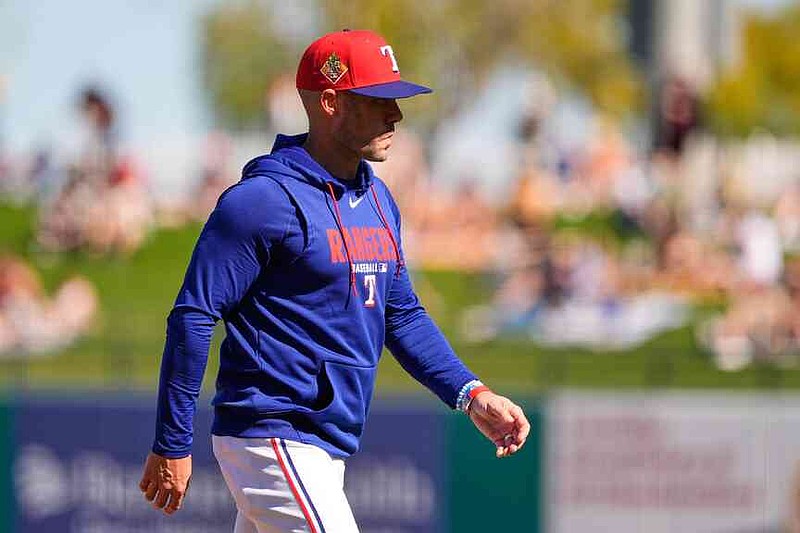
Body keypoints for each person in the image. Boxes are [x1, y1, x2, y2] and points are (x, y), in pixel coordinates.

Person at [139, 29, 530, 532]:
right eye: (378, 99)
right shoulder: (262, 201)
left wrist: (471, 394)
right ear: (330, 102)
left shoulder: (378, 201)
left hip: (322, 443)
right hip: (272, 432)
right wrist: (172, 440)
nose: (396, 114)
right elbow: (193, 316)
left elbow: (401, 314)